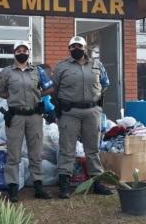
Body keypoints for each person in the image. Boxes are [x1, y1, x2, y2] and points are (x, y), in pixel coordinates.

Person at [52, 35, 114, 199]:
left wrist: (95, 96)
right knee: (67, 148)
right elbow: (54, 89)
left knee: (92, 149)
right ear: (69, 49)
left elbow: (105, 84)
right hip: (69, 112)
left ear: (85, 48)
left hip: (92, 112)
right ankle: (64, 183)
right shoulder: (61, 67)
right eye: (73, 47)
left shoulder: (97, 65)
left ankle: (97, 182)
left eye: (79, 46)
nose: (76, 49)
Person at [0, 40, 54, 202]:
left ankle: (38, 186)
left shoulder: (37, 71)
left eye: (25, 50)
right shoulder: (7, 72)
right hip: (16, 117)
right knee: (14, 153)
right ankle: (13, 187)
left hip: (34, 116)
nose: (22, 52)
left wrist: (38, 95)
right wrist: (10, 96)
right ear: (14, 52)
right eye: (19, 50)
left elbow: (50, 87)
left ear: (29, 52)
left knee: (36, 152)